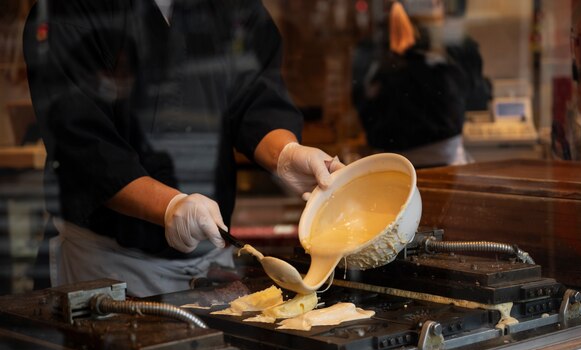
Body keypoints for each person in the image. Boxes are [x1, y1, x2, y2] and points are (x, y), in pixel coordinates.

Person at [23, 0, 343, 297]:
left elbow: (255, 95)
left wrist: (286, 153)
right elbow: (86, 147)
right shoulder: (69, 10)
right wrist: (170, 206)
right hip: (107, 269)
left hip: (211, 267)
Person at [352, 1, 488, 168]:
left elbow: (363, 107)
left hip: (391, 166)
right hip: (442, 165)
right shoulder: (452, 46)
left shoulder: (371, 48)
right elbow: (477, 97)